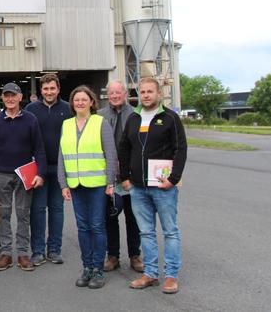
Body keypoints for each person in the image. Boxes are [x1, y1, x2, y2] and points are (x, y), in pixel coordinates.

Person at [119, 78, 187, 294]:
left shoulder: (170, 118)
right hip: (138, 188)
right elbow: (124, 148)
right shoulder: (133, 118)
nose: (146, 95)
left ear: (159, 94)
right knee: (146, 232)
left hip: (163, 187)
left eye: (150, 91)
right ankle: (150, 274)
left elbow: (180, 149)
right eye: (142, 92)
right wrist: (125, 178)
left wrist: (173, 178)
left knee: (170, 232)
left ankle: (171, 276)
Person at [58, 85, 117, 289]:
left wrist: (111, 182)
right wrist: (63, 183)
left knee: (97, 226)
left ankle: (99, 270)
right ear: (72, 104)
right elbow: (61, 157)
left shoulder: (101, 123)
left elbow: (111, 154)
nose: (80, 103)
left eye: (84, 99)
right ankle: (87, 268)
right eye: (76, 100)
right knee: (82, 227)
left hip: (97, 185)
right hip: (76, 184)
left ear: (91, 102)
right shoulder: (66, 125)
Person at [0, 82, 46, 272]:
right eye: (6, 95)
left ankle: (22, 254)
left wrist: (40, 173)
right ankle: (5, 254)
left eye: (14, 95)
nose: (10, 99)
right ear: (2, 98)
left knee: (22, 214)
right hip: (1, 174)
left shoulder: (30, 119)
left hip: (24, 174)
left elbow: (39, 148)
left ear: (20, 97)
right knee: (3, 214)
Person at [25, 73, 72, 266]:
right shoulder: (31, 109)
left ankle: (54, 250)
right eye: (45, 89)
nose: (49, 92)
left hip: (61, 168)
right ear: (40, 91)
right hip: (38, 169)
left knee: (57, 210)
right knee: (37, 210)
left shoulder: (68, 109)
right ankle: (37, 251)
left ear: (58, 89)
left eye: (52, 88)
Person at [97, 80, 143, 273]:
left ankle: (135, 255)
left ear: (125, 94)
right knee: (110, 217)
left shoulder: (136, 114)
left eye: (118, 92)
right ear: (108, 95)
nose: (115, 96)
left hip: (130, 177)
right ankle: (113, 255)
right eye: (112, 93)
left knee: (133, 218)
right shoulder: (99, 116)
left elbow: (141, 145)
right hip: (108, 177)